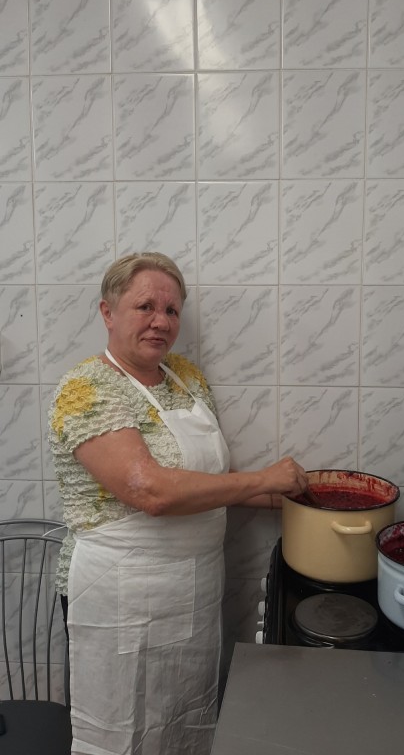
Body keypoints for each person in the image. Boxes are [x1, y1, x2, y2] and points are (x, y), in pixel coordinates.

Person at [48, 252, 308, 755]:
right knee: (120, 729)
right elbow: (150, 491)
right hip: (117, 593)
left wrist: (295, 494)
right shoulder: (86, 388)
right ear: (107, 312)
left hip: (192, 590)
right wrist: (262, 478)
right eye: (145, 306)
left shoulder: (185, 377)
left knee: (180, 717)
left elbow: (211, 483)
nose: (161, 321)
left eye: (171, 310)